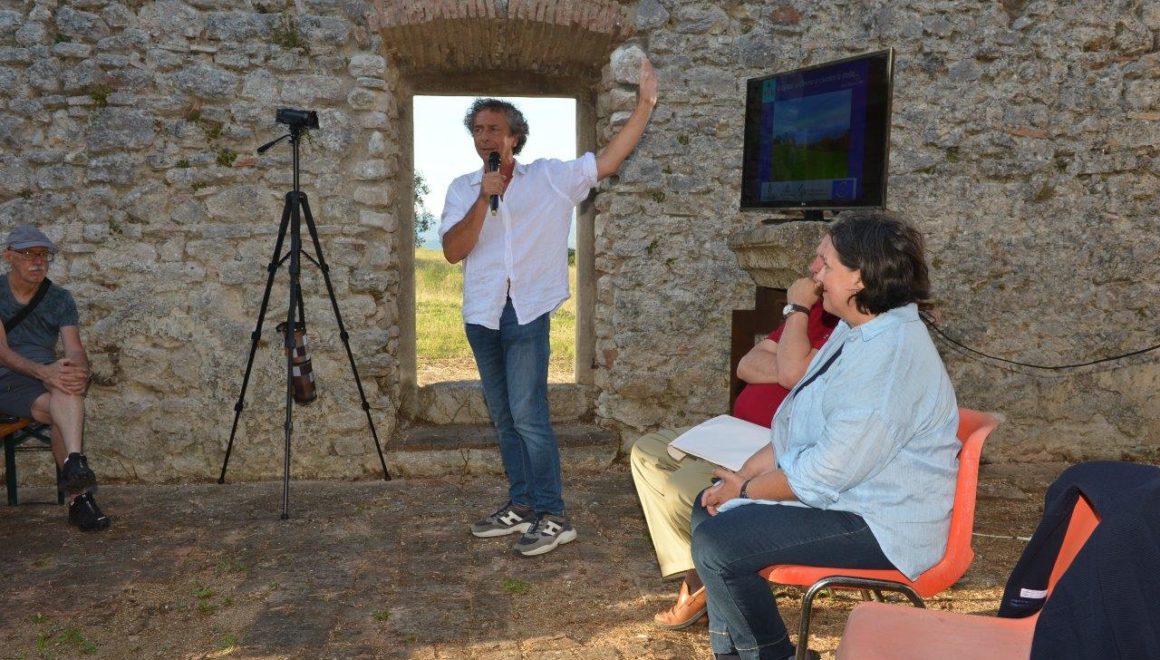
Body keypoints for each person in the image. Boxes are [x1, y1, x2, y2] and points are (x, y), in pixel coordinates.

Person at [691, 209, 960, 660]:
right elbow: (799, 426)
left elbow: (822, 474)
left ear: (859, 278)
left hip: (882, 524)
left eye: (825, 262)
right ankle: (735, 654)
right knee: (708, 509)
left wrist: (748, 490)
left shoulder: (887, 361)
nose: (813, 271)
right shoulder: (860, 329)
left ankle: (770, 656)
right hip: (848, 499)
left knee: (721, 541)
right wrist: (740, 478)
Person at [440, 58, 658, 556]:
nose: (484, 137)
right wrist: (483, 199)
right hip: (482, 315)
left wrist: (644, 105)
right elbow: (453, 251)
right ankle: (521, 505)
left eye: (494, 129)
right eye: (478, 130)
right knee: (504, 418)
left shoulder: (550, 178)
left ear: (514, 137)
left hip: (526, 312)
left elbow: (608, 161)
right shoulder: (462, 189)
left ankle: (554, 514)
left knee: (529, 416)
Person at [630, 261, 837, 629]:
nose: (812, 268)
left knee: (682, 489)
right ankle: (702, 571)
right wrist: (791, 367)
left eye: (824, 261)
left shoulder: (841, 322)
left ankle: (707, 579)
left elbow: (794, 372)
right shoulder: (817, 312)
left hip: (774, 445)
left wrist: (796, 312)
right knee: (647, 451)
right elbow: (747, 365)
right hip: (737, 431)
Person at [0, 225, 109, 531]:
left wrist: (78, 371)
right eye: (28, 253)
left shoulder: (60, 298)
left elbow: (74, 349)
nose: (38, 261)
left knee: (67, 387)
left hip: (46, 377)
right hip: (6, 378)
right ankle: (80, 499)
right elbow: (2, 354)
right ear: (9, 256)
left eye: (43, 254)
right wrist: (45, 372)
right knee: (63, 404)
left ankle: (74, 463)